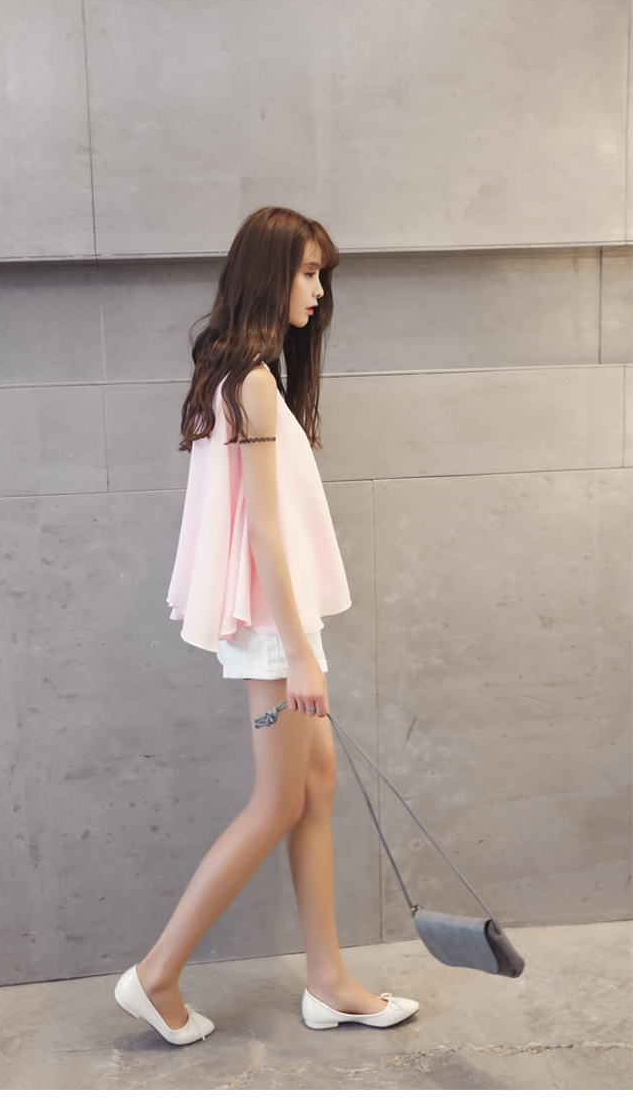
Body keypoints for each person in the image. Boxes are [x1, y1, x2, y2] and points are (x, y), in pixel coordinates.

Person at [114, 207, 419, 1044]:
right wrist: (299, 656)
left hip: (280, 623)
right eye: (308, 272)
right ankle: (157, 972)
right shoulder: (249, 381)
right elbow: (263, 532)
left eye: (322, 274)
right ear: (270, 272)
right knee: (279, 798)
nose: (318, 290)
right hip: (272, 629)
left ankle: (328, 982)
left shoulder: (246, 376)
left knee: (315, 783)